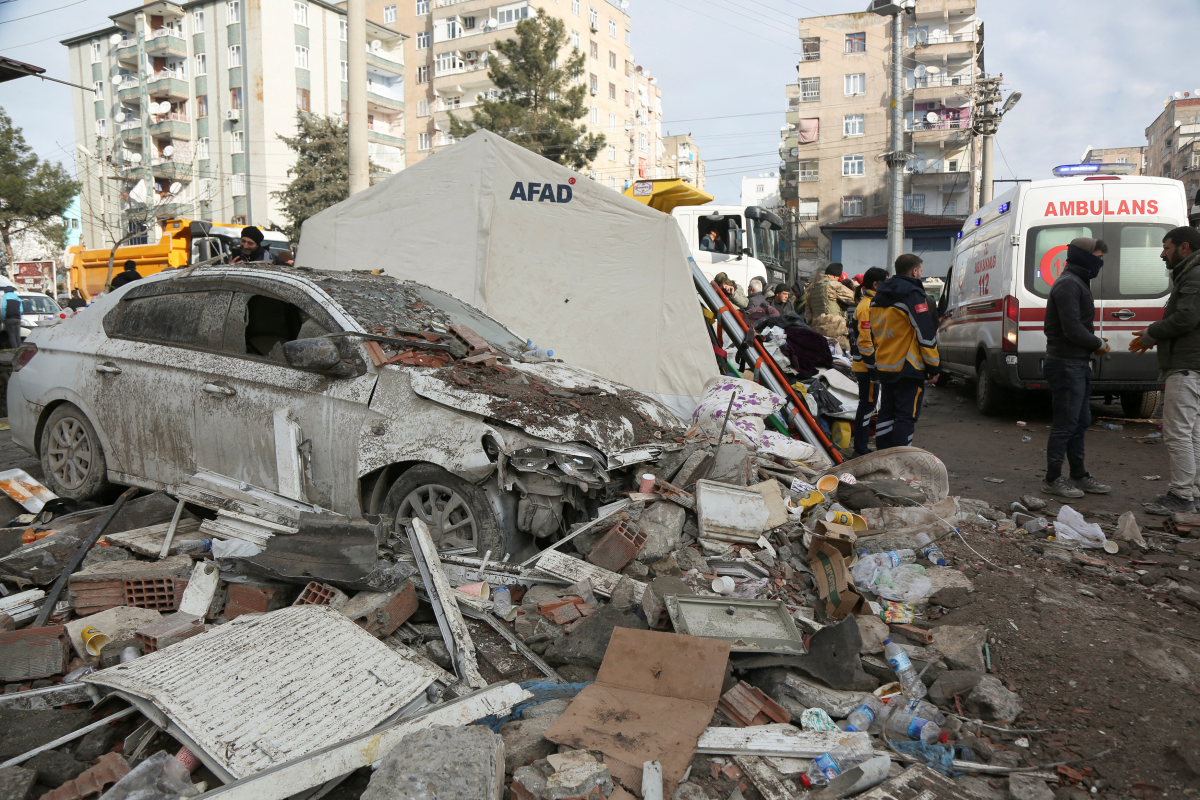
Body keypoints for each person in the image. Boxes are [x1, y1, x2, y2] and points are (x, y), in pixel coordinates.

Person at [1132, 226, 1200, 515]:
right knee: (1192, 433)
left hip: (1187, 366)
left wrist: (1152, 332)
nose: (1162, 253)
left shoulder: (1194, 275)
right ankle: (1192, 492)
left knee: (1177, 432)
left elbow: (1186, 317)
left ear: (1184, 248)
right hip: (1191, 365)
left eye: (1167, 247)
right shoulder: (1190, 272)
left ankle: (1182, 494)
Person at [1040, 237, 1112, 499]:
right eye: (1098, 257)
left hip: (1077, 363)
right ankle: (1052, 479)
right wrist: (1097, 343)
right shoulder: (1069, 284)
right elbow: (1071, 328)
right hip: (1065, 363)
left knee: (1080, 421)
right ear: (1083, 257)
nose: (1100, 263)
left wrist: (1092, 345)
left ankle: (1079, 475)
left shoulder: (1078, 282)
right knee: (1066, 423)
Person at [862, 254, 940, 449]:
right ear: (914, 271)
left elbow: (873, 332)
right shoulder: (912, 295)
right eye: (921, 271)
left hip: (886, 365)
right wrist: (934, 366)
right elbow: (925, 334)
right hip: (909, 367)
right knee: (906, 417)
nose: (921, 275)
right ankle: (901, 462)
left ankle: (883, 458)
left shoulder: (878, 297)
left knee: (886, 415)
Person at [850, 267, 889, 455]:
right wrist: (874, 369)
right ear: (876, 284)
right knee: (867, 406)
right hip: (866, 367)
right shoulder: (867, 307)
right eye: (886, 281)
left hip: (864, 365)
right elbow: (865, 343)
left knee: (866, 405)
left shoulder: (869, 304)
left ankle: (861, 446)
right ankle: (861, 448)